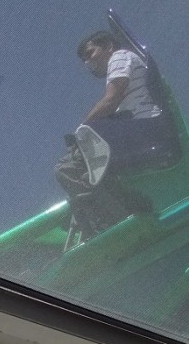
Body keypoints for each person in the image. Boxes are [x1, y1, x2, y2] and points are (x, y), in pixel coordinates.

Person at [55, 30, 160, 235]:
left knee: (66, 168)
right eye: (84, 60)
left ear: (109, 46)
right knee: (87, 167)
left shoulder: (119, 57)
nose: (88, 62)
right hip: (139, 128)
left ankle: (111, 219)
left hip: (141, 128)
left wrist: (81, 131)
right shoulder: (124, 61)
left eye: (90, 53)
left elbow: (111, 100)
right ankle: (123, 206)